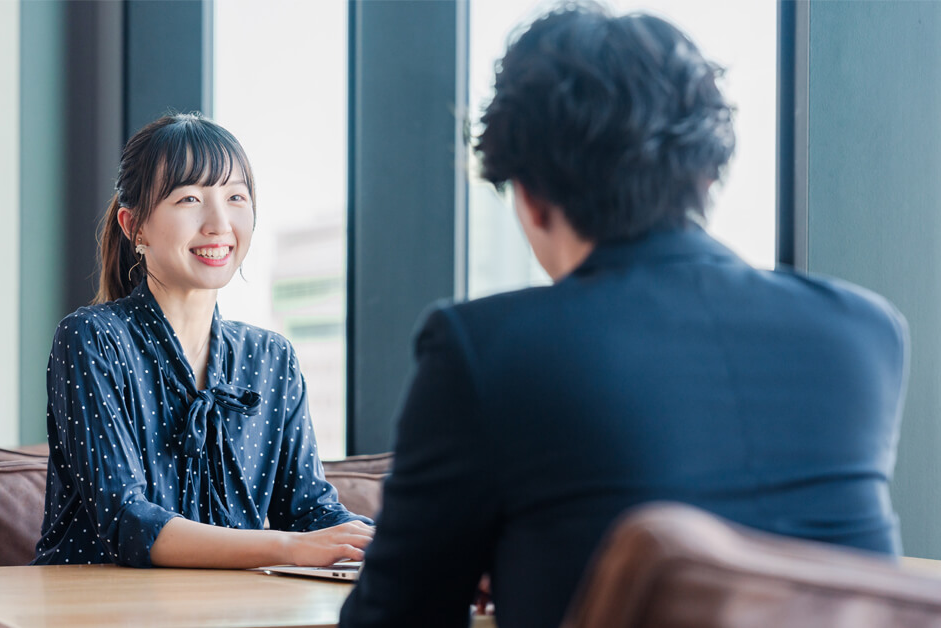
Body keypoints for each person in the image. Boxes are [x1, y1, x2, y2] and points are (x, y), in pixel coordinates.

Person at [340, 6, 907, 628]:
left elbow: (394, 617)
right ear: (710, 173)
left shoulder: (489, 349)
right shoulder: (864, 332)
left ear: (527, 195)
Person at [33, 113, 373, 569]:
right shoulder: (91, 339)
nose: (218, 223)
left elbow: (311, 512)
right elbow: (129, 522)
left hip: (228, 610)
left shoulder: (272, 357)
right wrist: (286, 547)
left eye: (235, 197)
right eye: (189, 198)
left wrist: (416, 549)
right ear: (134, 226)